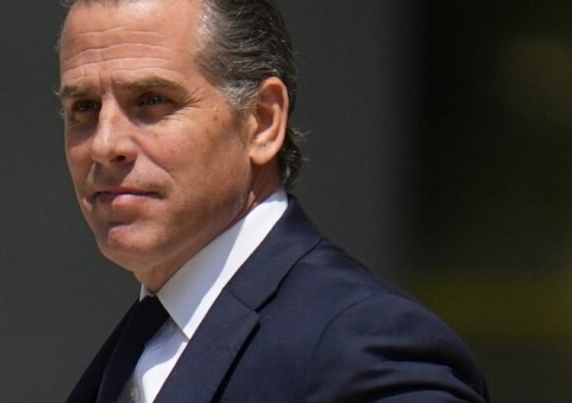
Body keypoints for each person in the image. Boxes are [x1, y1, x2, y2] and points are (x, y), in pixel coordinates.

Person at [57, 0, 490, 402]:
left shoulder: (361, 346)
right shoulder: (140, 345)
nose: (105, 145)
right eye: (85, 107)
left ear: (262, 122)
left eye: (153, 101)